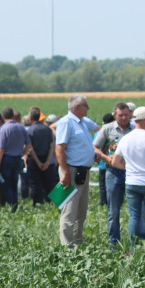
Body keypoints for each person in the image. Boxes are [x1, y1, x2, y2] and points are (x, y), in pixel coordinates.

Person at [111, 107, 145, 245]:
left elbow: (115, 161)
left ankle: (132, 246)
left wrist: (128, 168)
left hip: (132, 181)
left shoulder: (125, 139)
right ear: (144, 120)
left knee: (134, 216)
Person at [55, 95, 96, 246]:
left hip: (83, 172)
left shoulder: (82, 123)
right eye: (86, 105)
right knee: (70, 210)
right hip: (71, 171)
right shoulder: (66, 122)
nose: (88, 108)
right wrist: (65, 172)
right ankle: (67, 246)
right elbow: (59, 149)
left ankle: (78, 243)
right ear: (77, 107)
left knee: (81, 210)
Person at [93, 103, 134, 246]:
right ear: (115, 115)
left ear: (130, 115)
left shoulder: (134, 129)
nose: (124, 118)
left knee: (134, 210)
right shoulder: (107, 129)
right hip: (113, 172)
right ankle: (114, 241)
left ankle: (135, 241)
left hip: (132, 172)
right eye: (120, 115)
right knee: (114, 210)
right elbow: (95, 147)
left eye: (126, 115)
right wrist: (106, 158)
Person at [0, 106, 28, 211]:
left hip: (7, 159)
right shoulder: (21, 127)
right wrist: (22, 153)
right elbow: (29, 145)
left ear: (2, 116)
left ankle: (12, 206)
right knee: (15, 182)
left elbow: (1, 149)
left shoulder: (4, 128)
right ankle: (15, 204)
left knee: (7, 184)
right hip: (17, 158)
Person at [24, 107, 56, 206]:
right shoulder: (48, 129)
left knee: (35, 185)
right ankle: (50, 204)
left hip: (34, 161)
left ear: (30, 118)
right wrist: (48, 161)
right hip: (47, 159)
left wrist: (38, 162)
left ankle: (36, 204)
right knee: (49, 184)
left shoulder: (30, 130)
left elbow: (30, 148)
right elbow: (52, 146)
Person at [96, 113, 115, 207]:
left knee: (102, 185)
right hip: (113, 163)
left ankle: (103, 203)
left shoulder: (98, 133)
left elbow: (94, 147)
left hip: (102, 163)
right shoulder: (114, 132)